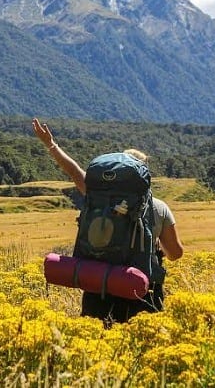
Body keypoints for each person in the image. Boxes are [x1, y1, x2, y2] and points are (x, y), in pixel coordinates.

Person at [32, 118, 184, 324]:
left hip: (99, 284)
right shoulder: (159, 208)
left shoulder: (98, 199)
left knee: (95, 346)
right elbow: (175, 254)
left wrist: (51, 144)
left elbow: (75, 172)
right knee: (140, 350)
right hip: (141, 290)